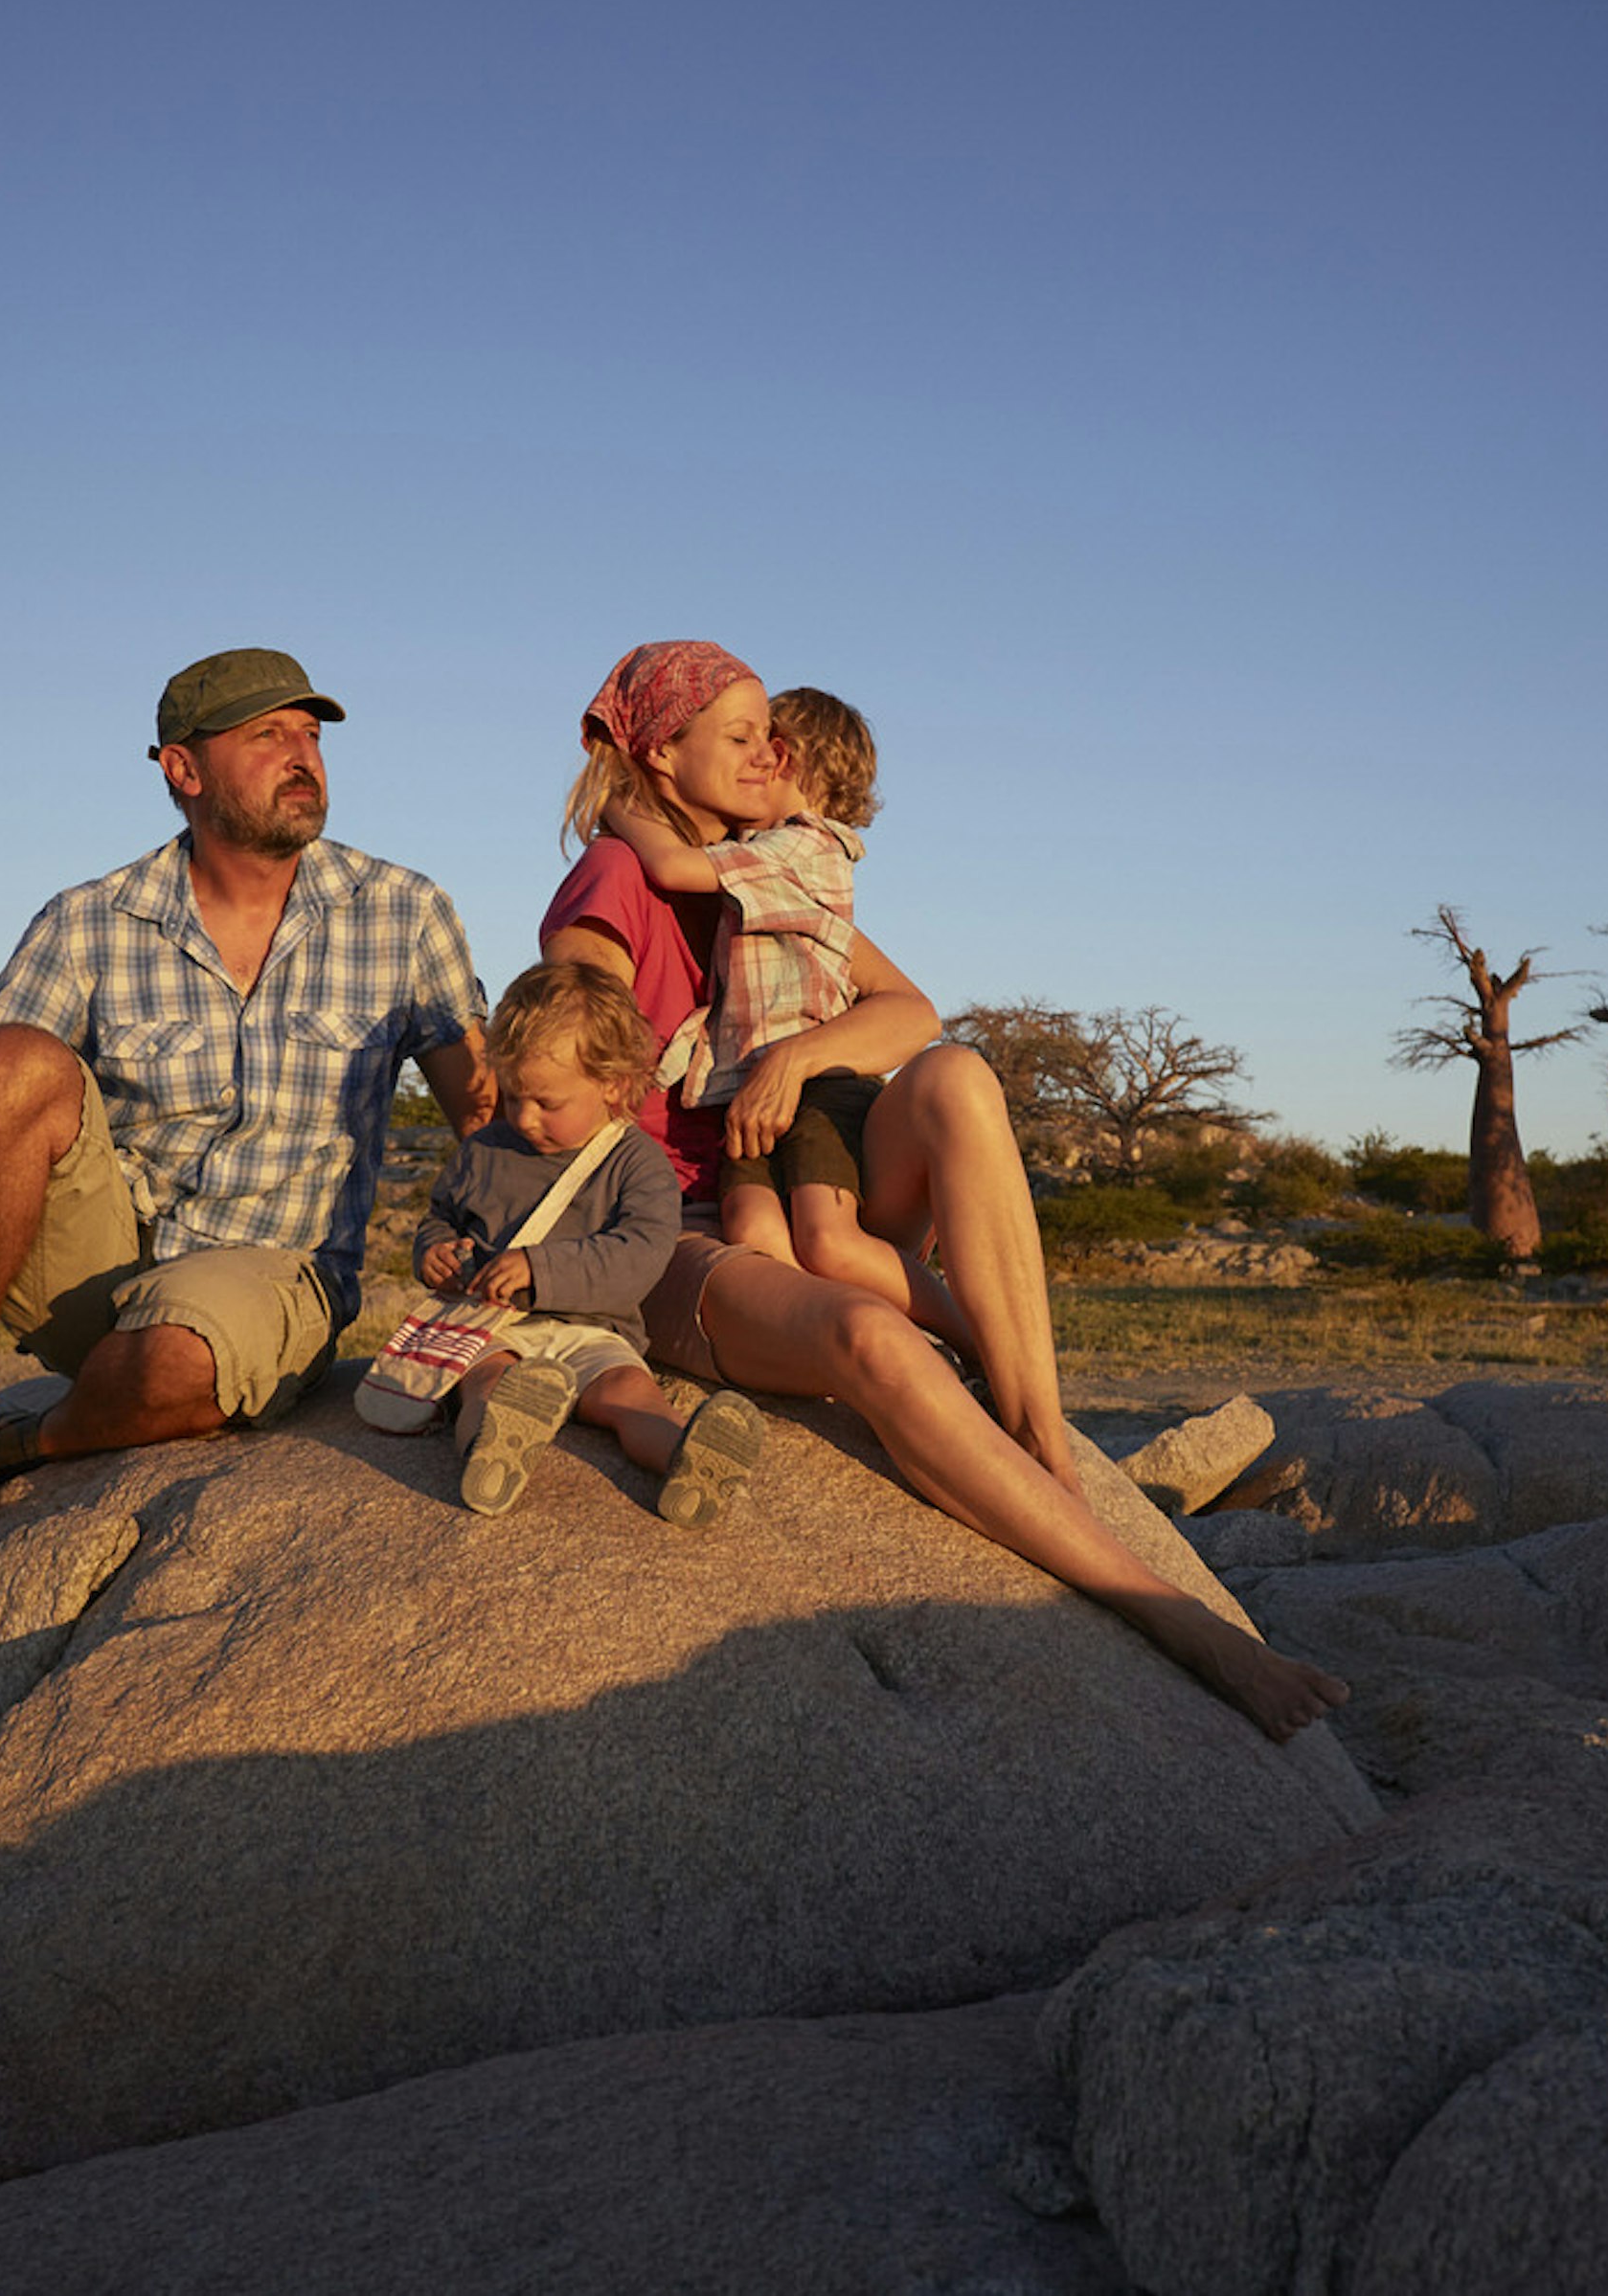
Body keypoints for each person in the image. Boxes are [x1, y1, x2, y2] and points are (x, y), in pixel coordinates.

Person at [540, 640, 1347, 1742]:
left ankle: (1042, 1437)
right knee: (870, 1338)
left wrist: (796, 1053)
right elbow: (572, 1075)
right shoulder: (614, 880)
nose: (767, 750)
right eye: (737, 735)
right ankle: (1172, 1619)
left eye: (766, 732)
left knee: (961, 1074)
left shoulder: (772, 864)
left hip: (797, 1162)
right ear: (659, 752)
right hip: (680, 1223)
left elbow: (911, 1011)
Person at [0, 645, 491, 1579]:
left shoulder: (403, 911)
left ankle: (28, 1440)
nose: (303, 755)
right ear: (183, 768)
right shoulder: (89, 920)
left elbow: (494, 1114)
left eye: (311, 734)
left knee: (175, 1358)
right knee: (4, 1064)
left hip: (273, 1271)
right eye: (268, 735)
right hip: (98, 1268)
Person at [596, 686, 963, 1351]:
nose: (749, 764)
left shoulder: (802, 848)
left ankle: (961, 1330)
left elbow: (675, 866)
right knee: (753, 1232)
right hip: (749, 1090)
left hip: (818, 1088)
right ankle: (839, 1341)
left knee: (828, 1239)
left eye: (755, 748)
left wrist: (620, 802)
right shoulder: (759, 859)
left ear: (783, 756)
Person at [390, 960, 766, 1523]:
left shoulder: (636, 1163)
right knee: (486, 1380)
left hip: (594, 1330)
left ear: (611, 1084)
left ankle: (686, 1458)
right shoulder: (484, 1150)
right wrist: (434, 1252)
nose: (523, 1116)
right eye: (513, 1095)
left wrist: (541, 1270)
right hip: (494, 1328)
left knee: (629, 1394)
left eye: (547, 1102)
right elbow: (442, 1217)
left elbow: (640, 1254)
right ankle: (491, 1450)